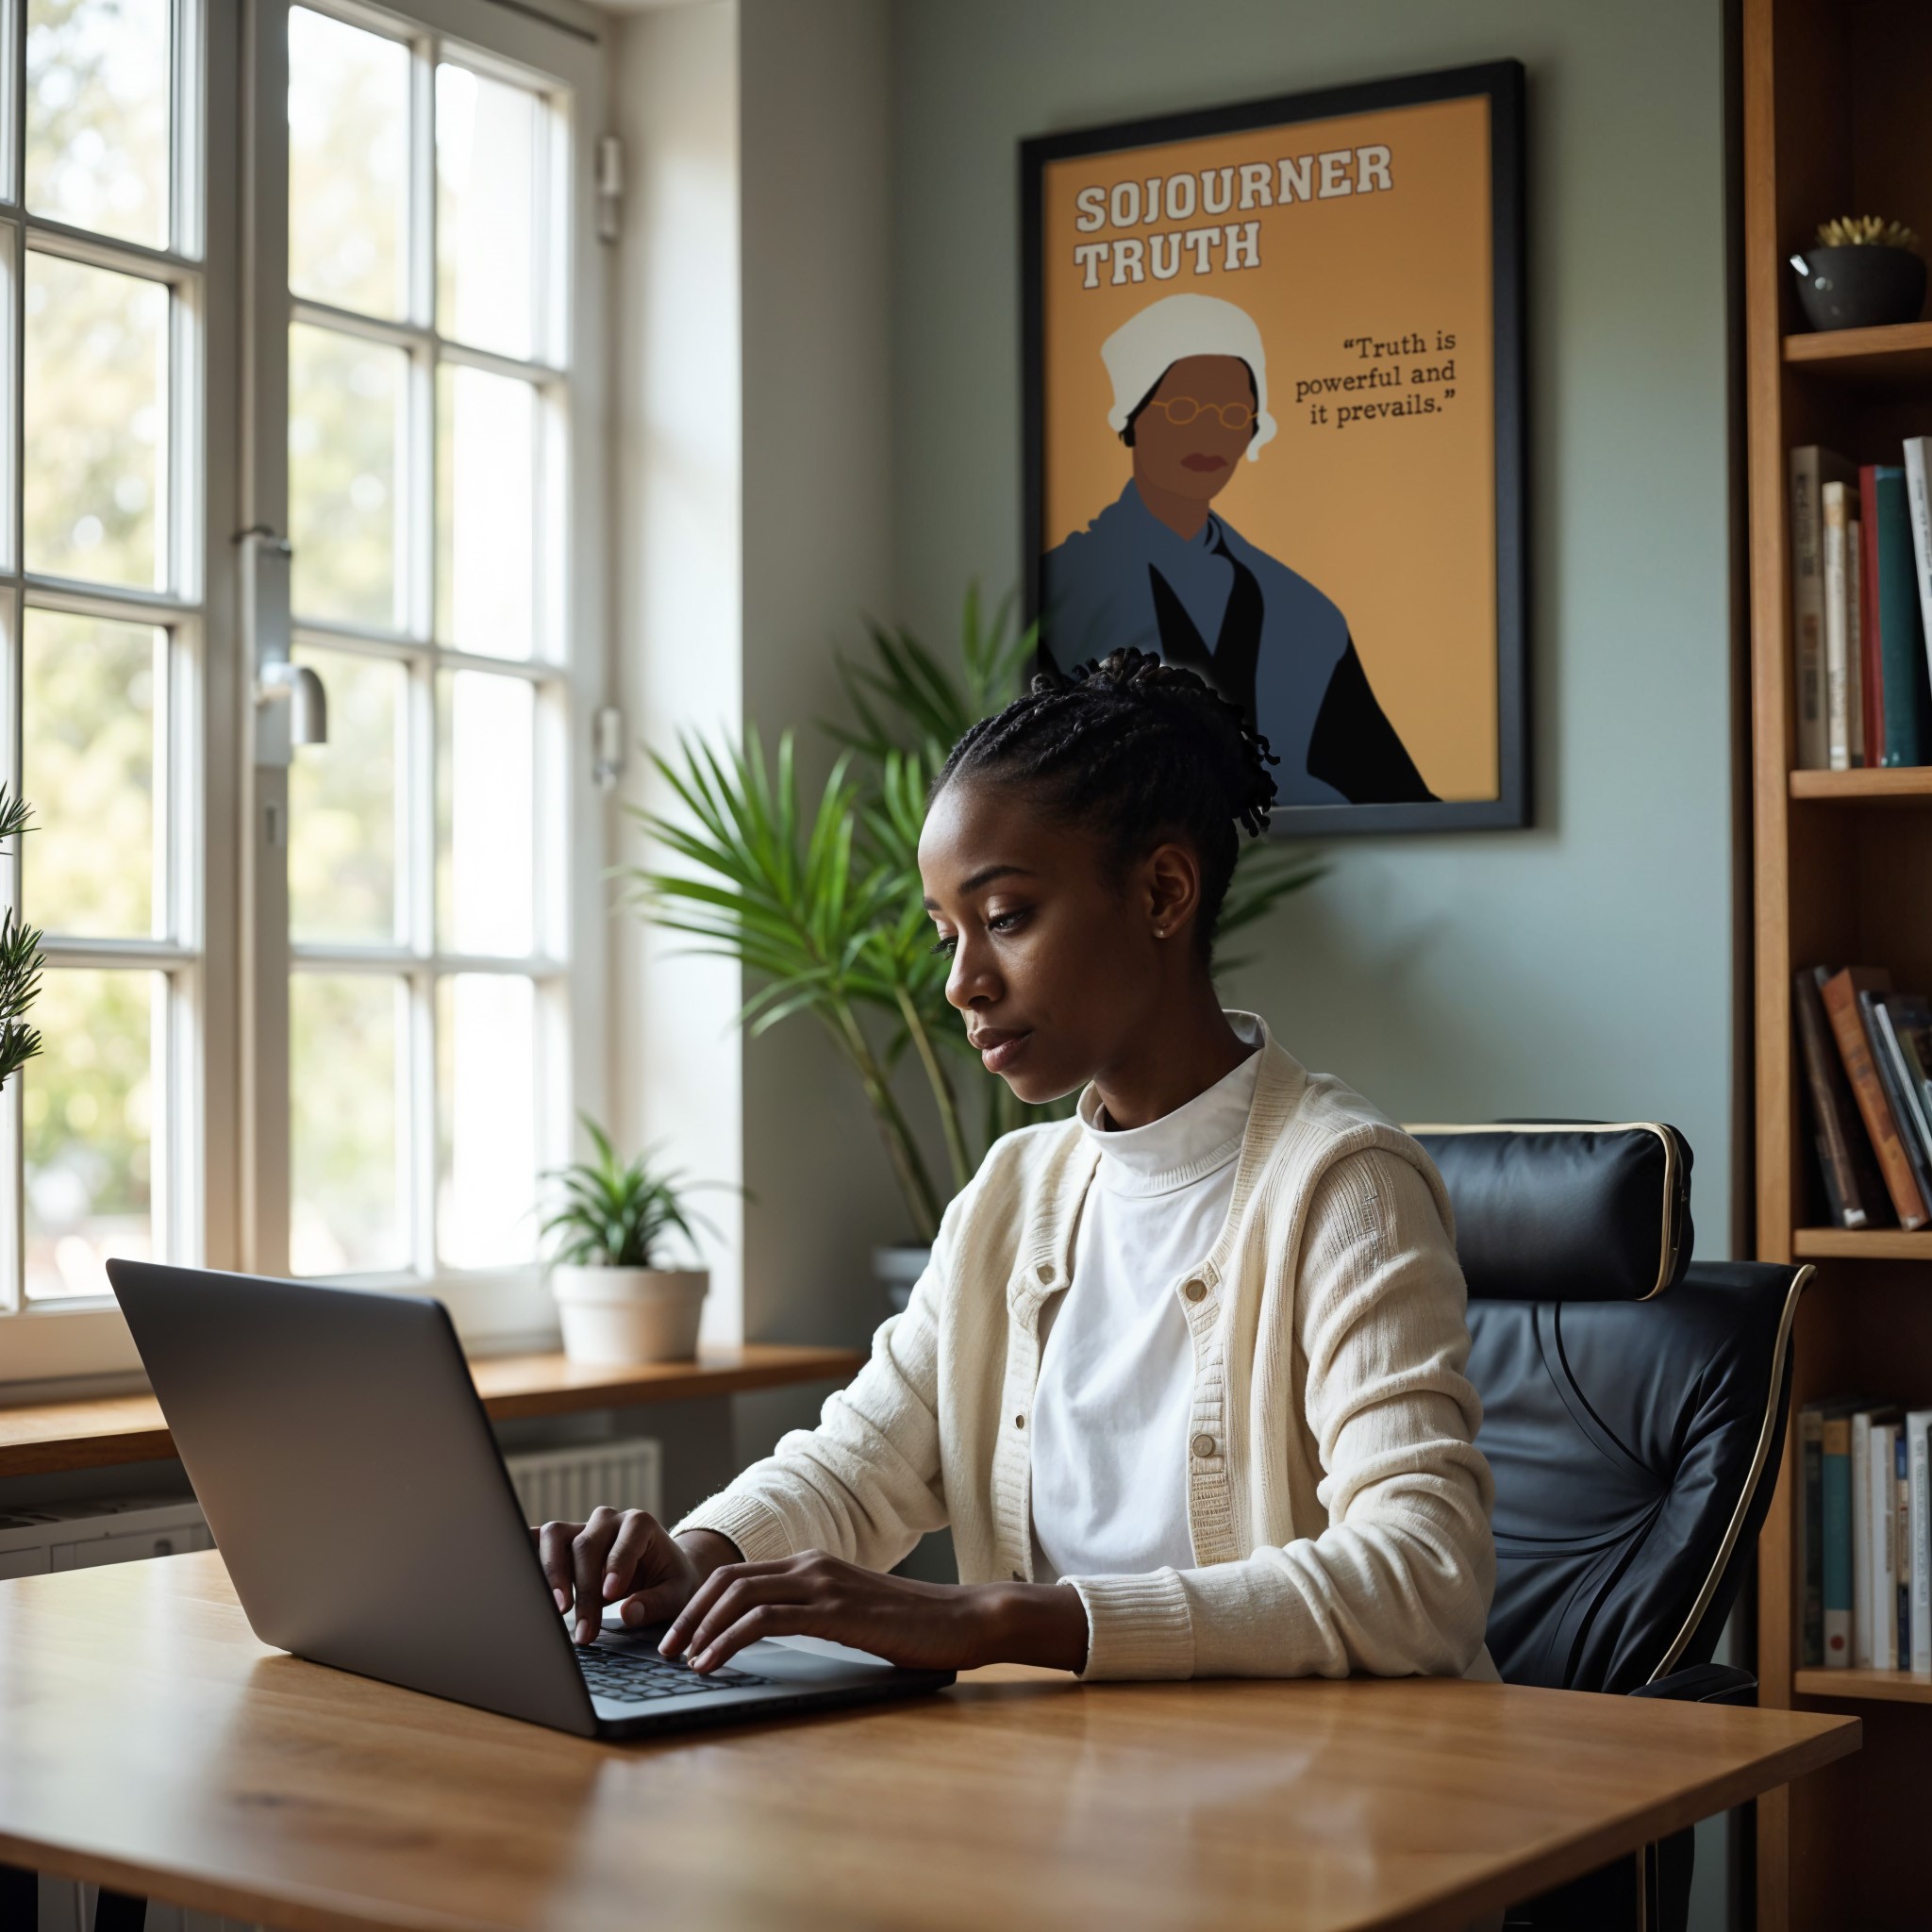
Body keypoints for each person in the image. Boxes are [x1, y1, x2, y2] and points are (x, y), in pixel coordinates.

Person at [540, 651, 1495, 1683]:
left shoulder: (1342, 1184)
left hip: (1321, 1807)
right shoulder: (1013, 1190)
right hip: (1062, 1793)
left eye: (1003, 918)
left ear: (1163, 890)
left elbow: (1422, 1572)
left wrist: (996, 1620)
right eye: (947, 932)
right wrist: (697, 1555)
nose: (961, 982)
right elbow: (862, 1462)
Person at [1040, 291, 1434, 808]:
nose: (1210, 431)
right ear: (1132, 419)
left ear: (1252, 430)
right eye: (1183, 409)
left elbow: (1387, 791)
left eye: (1232, 413)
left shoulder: (1307, 615)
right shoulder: (1062, 589)